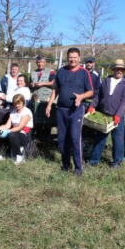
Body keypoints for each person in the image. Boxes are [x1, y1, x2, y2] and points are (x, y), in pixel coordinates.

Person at [46, 48, 94, 176]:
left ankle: (79, 168)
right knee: (62, 139)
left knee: (75, 138)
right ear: (68, 58)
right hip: (61, 110)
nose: (72, 59)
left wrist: (81, 97)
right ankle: (66, 165)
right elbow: (55, 89)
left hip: (76, 110)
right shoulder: (61, 71)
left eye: (75, 57)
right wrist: (49, 104)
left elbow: (91, 91)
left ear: (79, 58)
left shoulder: (84, 73)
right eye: (70, 57)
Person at [87, 59, 125, 168]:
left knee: (118, 140)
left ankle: (117, 162)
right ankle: (94, 161)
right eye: (117, 69)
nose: (118, 71)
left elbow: (124, 102)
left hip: (117, 117)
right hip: (104, 115)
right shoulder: (106, 81)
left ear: (123, 71)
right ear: (114, 69)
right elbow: (98, 96)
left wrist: (118, 115)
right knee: (100, 139)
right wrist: (92, 105)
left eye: (121, 69)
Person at [0, 94, 33, 165]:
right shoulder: (13, 112)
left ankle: (19, 156)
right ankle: (2, 153)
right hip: (14, 132)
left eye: (19, 103)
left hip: (24, 134)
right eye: (15, 103)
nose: (17, 105)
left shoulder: (26, 112)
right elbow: (7, 125)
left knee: (11, 135)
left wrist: (8, 131)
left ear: (23, 102)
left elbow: (20, 127)